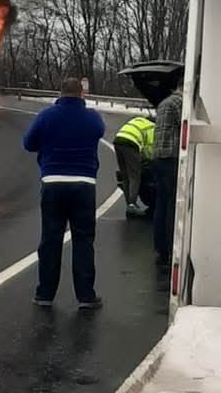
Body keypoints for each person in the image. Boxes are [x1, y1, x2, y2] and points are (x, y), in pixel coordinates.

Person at [23, 77, 105, 310]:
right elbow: (99, 132)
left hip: (53, 182)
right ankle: (86, 296)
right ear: (82, 94)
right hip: (84, 184)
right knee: (83, 241)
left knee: (51, 239)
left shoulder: (46, 116)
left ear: (60, 93)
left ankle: (45, 294)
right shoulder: (92, 118)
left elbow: (28, 144)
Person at [153, 79, 183, 270]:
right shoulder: (180, 103)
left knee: (161, 205)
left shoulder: (164, 103)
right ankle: (172, 249)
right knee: (173, 205)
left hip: (158, 158)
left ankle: (161, 250)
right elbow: (185, 124)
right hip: (171, 158)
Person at [114, 114, 155, 216]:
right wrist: (148, 160)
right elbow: (148, 148)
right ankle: (132, 205)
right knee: (135, 176)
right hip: (131, 143)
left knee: (125, 175)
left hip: (118, 140)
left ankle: (129, 205)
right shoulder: (152, 128)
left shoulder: (139, 120)